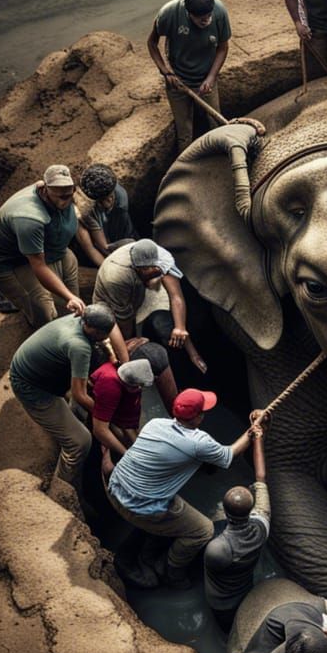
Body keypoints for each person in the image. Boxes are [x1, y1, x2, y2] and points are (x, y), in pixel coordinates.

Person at [105, 388, 252, 588]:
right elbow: (229, 455)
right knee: (203, 530)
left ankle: (149, 550)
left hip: (115, 487)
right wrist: (253, 431)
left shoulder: (155, 424)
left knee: (168, 504)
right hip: (140, 507)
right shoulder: (199, 442)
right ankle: (170, 570)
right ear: (199, 417)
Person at [9, 303, 124, 490]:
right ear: (90, 328)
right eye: (103, 334)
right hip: (32, 387)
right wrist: (106, 415)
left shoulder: (82, 316)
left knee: (85, 403)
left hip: (40, 371)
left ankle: (69, 422)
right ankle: (62, 490)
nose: (106, 338)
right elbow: (79, 395)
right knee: (80, 441)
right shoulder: (79, 346)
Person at [0, 164, 85, 328]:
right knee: (44, 310)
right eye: (59, 194)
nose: (65, 199)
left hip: (50, 249)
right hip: (15, 262)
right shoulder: (29, 218)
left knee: (71, 301)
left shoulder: (64, 196)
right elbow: (38, 265)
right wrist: (69, 297)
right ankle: (43, 334)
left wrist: (70, 297)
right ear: (45, 189)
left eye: (68, 194)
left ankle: (70, 324)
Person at [92, 238, 207, 374]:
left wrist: (181, 330)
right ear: (139, 268)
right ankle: (124, 366)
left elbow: (176, 296)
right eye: (150, 268)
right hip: (111, 303)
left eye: (156, 266)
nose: (156, 269)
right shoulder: (117, 276)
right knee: (118, 342)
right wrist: (129, 344)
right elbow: (124, 319)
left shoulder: (161, 256)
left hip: (140, 290)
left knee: (168, 325)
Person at [204, 410, 271, 632]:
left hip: (222, 602)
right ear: (251, 509)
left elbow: (211, 561)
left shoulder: (218, 548)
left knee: (226, 630)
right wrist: (259, 438)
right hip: (245, 589)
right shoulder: (261, 527)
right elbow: (260, 478)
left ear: (224, 510)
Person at [147, 0, 232, 153]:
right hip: (178, 80)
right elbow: (152, 43)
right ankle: (186, 167)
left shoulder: (220, 12)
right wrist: (165, 71)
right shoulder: (169, 14)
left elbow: (223, 47)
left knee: (216, 123)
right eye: (200, 18)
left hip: (206, 77)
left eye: (208, 16)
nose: (206, 20)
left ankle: (221, 158)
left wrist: (211, 78)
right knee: (184, 132)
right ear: (188, 11)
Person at [88, 357, 154, 464]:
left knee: (130, 442)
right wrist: (127, 454)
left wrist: (139, 448)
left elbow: (128, 422)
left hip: (112, 408)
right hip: (95, 407)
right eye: (138, 386)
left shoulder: (130, 379)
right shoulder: (110, 385)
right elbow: (100, 430)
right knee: (104, 457)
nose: (140, 389)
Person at [72, 164, 137, 267]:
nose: (109, 201)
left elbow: (119, 234)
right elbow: (99, 246)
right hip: (90, 222)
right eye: (103, 199)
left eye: (111, 196)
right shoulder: (85, 209)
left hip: (121, 229)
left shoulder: (120, 199)